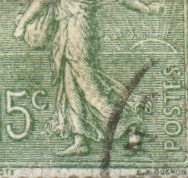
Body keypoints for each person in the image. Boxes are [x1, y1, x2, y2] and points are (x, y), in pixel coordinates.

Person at [15, 0, 164, 156]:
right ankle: (80, 140)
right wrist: (147, 9)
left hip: (75, 31)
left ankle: (131, 124)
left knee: (88, 87)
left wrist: (21, 25)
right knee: (70, 85)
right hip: (77, 29)